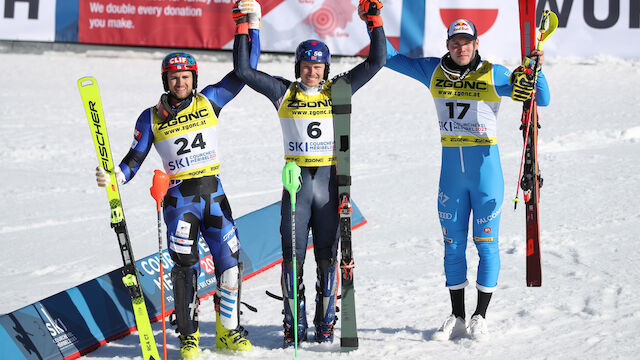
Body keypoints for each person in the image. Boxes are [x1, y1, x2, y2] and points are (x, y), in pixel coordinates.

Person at [94, 3, 262, 358]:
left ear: (194, 79)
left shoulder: (211, 100)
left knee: (230, 264)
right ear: (165, 81)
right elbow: (134, 159)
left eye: (185, 76)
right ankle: (188, 336)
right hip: (179, 202)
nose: (180, 82)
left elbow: (245, 71)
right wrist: (114, 177)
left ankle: (227, 332)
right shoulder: (151, 117)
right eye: (174, 77)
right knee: (184, 270)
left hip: (214, 195)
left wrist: (247, 28)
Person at [383, 18, 550, 341]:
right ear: (448, 45)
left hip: (486, 173)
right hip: (451, 176)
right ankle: (456, 315)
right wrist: (374, 21)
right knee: (453, 246)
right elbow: (389, 58)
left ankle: (480, 315)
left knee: (486, 245)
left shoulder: (495, 73)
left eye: (467, 42)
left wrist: (535, 70)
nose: (462, 48)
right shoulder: (433, 71)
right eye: (455, 42)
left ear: (476, 44)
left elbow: (540, 100)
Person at [232, 0, 386, 347]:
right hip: (297, 184)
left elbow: (378, 61)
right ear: (298, 66)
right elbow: (243, 71)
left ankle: (326, 322)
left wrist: (373, 20)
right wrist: (245, 25)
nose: (311, 72)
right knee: (292, 258)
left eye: (317, 67)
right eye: (306, 66)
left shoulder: (339, 90)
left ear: (326, 69)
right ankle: (293, 324)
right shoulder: (283, 92)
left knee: (328, 257)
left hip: (329, 183)